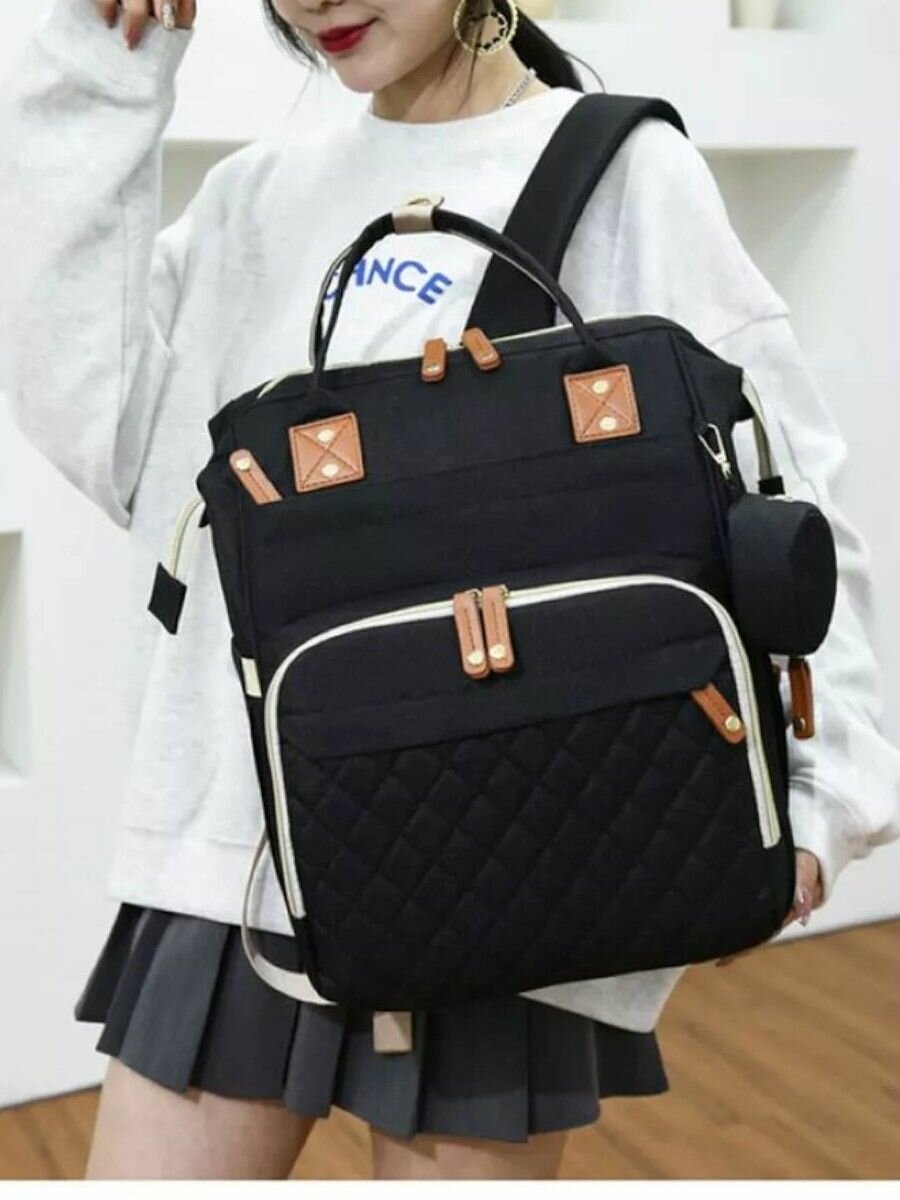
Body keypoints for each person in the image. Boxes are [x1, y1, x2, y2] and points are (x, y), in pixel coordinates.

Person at [1, 0, 898, 1182]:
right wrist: (103, 57)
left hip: (520, 849)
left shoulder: (626, 171)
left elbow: (782, 485)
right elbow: (105, 431)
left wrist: (823, 798)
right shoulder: (252, 200)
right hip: (241, 852)